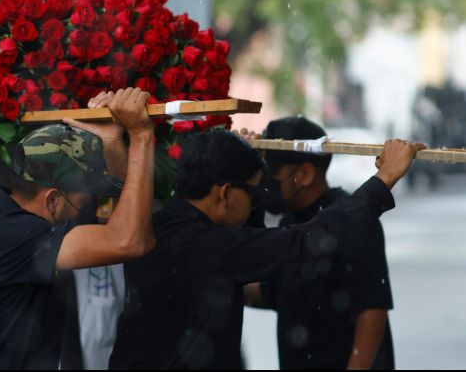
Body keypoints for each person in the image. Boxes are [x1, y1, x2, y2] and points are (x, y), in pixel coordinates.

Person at [108, 129, 423, 369]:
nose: (259, 202)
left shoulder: (160, 223)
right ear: (226, 193)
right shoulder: (207, 245)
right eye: (253, 194)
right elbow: (306, 239)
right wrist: (384, 179)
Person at [0, 87, 156, 369]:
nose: (84, 215)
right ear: (52, 199)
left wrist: (113, 143)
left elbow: (134, 227)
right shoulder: (9, 235)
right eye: (82, 204)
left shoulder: (9, 223)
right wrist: (141, 135)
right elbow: (129, 240)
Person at [243, 117, 395, 369]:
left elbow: (372, 311)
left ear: (304, 174)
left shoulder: (353, 218)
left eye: (270, 174)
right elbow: (270, 291)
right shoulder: (289, 221)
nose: (264, 183)